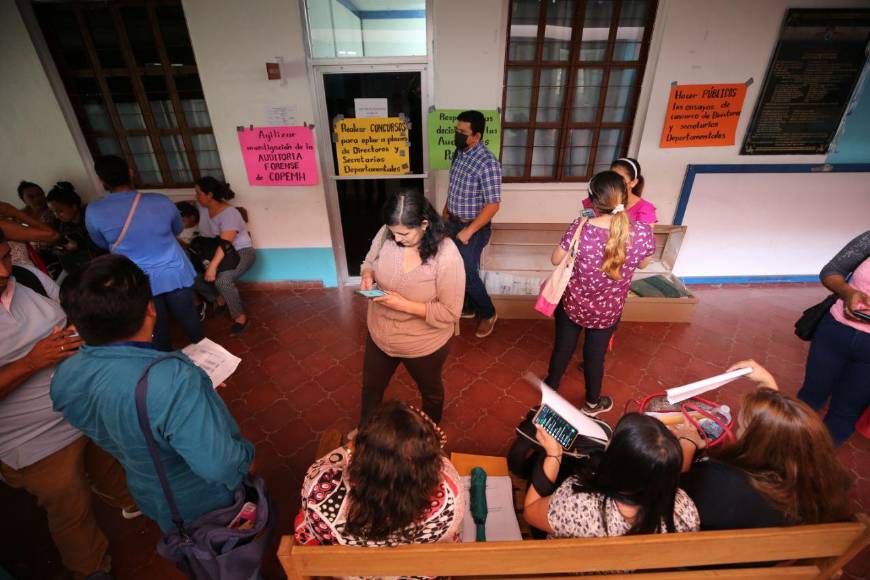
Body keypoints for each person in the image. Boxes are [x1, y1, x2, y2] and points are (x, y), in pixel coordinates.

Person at [51, 254, 255, 534]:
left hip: (150, 493)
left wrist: (184, 398)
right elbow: (220, 467)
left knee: (192, 553)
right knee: (229, 556)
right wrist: (245, 455)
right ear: (151, 309)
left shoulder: (64, 377)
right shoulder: (172, 379)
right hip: (206, 502)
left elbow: (122, 424)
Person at [0, 229, 136, 580]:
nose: (3, 273)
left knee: (111, 459)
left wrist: (80, 331)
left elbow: (71, 313)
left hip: (83, 405)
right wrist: (29, 363)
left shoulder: (27, 276)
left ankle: (130, 500)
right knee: (69, 504)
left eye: (3, 259)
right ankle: (90, 568)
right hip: (31, 437)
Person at [677, 360, 852, 530]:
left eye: (742, 427)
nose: (738, 432)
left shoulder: (718, 481)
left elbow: (677, 499)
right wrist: (767, 385)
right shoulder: (821, 481)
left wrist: (687, 445)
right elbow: (779, 431)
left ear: (758, 445)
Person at [544, 171, 655, 416]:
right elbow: (644, 264)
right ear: (625, 197)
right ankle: (593, 403)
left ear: (593, 200)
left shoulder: (581, 227)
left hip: (573, 304)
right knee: (595, 357)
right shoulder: (642, 232)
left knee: (563, 348)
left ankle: (550, 391)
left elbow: (555, 260)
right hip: (608, 310)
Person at [295, 401, 465, 555]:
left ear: (361, 456)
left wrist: (349, 447)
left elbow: (318, 535)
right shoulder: (450, 496)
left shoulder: (319, 491)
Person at [359, 191, 464, 425]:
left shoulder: (446, 254)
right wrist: (367, 274)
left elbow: (450, 312)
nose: (397, 238)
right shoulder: (387, 233)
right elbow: (369, 261)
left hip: (423, 344)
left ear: (424, 224)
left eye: (404, 233)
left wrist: (403, 305)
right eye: (393, 232)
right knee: (371, 389)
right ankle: (364, 436)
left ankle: (430, 438)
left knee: (431, 393)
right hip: (380, 335)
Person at [85, 155, 203, 351]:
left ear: (102, 180)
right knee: (189, 317)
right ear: (130, 172)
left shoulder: (94, 210)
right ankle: (209, 360)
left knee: (155, 327)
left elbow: (101, 242)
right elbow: (176, 229)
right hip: (173, 271)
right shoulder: (160, 201)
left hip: (136, 278)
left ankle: (165, 366)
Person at [523, 413, 699, 538]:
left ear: (616, 466)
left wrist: (554, 455)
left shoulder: (578, 505)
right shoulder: (686, 513)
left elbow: (530, 512)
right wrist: (681, 446)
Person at [797, 231, 870, 446]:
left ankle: (813, 467)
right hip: (835, 331)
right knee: (808, 398)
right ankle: (779, 451)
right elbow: (832, 271)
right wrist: (847, 292)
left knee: (845, 411)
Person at [442, 110, 501, 338]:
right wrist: (445, 213)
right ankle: (467, 306)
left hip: (474, 228)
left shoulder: (488, 163)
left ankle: (488, 313)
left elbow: (493, 205)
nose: (457, 135)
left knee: (466, 272)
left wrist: (468, 231)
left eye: (462, 133)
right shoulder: (459, 153)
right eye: (456, 130)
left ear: (476, 136)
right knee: (450, 267)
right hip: (452, 222)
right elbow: (454, 187)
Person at [193, 177, 256, 336]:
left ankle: (240, 317)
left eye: (198, 193)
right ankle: (219, 299)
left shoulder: (229, 213)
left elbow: (225, 243)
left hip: (241, 252)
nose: (196, 196)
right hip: (218, 252)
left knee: (223, 280)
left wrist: (212, 266)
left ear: (209, 194)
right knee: (193, 277)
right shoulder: (202, 208)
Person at [46, 182, 104, 279]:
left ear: (74, 206)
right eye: (53, 212)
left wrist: (79, 246)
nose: (56, 215)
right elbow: (57, 248)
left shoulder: (91, 217)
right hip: (78, 271)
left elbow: (104, 245)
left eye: (60, 211)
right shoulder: (60, 225)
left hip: (100, 267)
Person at [582, 158, 657, 224]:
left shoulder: (645, 209)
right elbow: (587, 225)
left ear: (633, 182)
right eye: (611, 178)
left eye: (619, 180)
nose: (613, 183)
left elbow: (643, 237)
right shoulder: (594, 200)